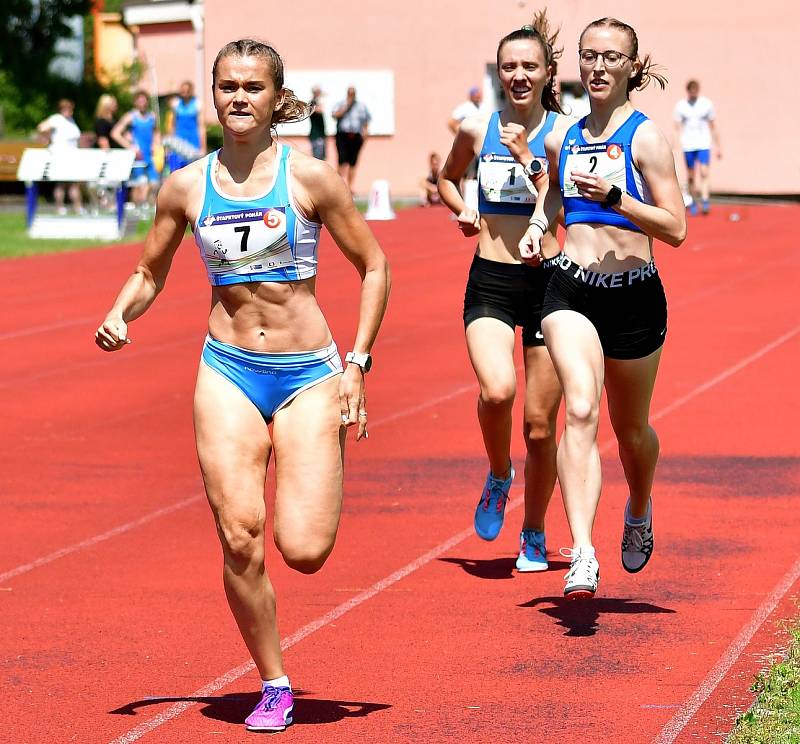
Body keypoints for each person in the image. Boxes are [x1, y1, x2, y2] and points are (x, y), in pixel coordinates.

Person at [95, 39, 390, 733]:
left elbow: (374, 267)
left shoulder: (311, 179)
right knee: (239, 538)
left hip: (309, 373)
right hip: (226, 369)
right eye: (226, 85)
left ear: (275, 96)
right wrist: (118, 312)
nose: (237, 97)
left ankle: (313, 454)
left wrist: (358, 363)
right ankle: (275, 682)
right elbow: (149, 272)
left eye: (252, 87)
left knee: (305, 551)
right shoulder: (186, 184)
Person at [521, 17, 686, 598]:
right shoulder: (559, 136)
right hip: (570, 288)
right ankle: (584, 552)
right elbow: (554, 197)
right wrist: (540, 226)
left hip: (635, 297)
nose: (597, 67)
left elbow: (676, 228)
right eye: (589, 56)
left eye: (612, 58)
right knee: (581, 408)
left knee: (631, 428)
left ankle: (639, 503)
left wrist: (618, 198)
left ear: (632, 69)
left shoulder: (646, 139)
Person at [438, 13, 571, 573]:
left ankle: (535, 532)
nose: (518, 75)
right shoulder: (476, 129)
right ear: (499, 72)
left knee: (541, 427)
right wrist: (461, 206)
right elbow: (445, 177)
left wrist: (543, 218)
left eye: (528, 66)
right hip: (491, 277)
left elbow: (563, 199)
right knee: (497, 391)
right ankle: (498, 472)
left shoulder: (564, 133)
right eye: (508, 66)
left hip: (547, 283)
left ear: (546, 74)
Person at [673, 79, 721, 215]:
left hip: (703, 143)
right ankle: (693, 200)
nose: (693, 94)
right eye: (691, 91)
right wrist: (674, 147)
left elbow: (713, 125)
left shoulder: (706, 104)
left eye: (695, 91)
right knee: (691, 175)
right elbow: (676, 128)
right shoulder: (681, 106)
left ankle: (705, 200)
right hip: (688, 145)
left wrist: (718, 146)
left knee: (704, 172)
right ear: (688, 91)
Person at [112, 90, 161, 213]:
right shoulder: (131, 116)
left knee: (154, 184)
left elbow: (156, 133)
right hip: (138, 156)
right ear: (135, 102)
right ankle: (137, 209)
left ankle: (149, 209)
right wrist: (130, 146)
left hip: (150, 155)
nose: (142, 103)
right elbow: (115, 133)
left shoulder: (152, 116)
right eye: (139, 100)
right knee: (140, 184)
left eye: (144, 100)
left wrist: (156, 144)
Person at [36, 98, 84, 215]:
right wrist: (47, 138)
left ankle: (78, 207)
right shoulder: (56, 119)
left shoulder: (71, 120)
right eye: (67, 108)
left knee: (74, 183)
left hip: (72, 155)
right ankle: (60, 207)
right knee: (62, 183)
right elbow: (41, 127)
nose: (69, 111)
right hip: (60, 155)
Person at [332, 86, 371, 191]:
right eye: (350, 94)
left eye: (353, 94)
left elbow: (366, 121)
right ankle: (339, 187)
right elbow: (334, 115)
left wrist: (365, 135)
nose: (351, 96)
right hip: (343, 135)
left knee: (353, 163)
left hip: (356, 136)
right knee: (342, 161)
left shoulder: (361, 106)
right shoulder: (341, 104)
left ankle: (350, 188)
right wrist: (347, 106)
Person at [165, 80, 205, 172]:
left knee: (193, 170)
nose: (184, 93)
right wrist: (169, 145)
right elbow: (172, 126)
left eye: (187, 91)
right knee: (176, 170)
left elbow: (201, 126)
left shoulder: (197, 104)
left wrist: (203, 147)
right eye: (182, 91)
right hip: (179, 140)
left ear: (191, 91)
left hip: (193, 141)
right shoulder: (176, 104)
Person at [308, 85, 327, 160]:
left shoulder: (316, 102)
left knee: (322, 157)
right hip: (316, 135)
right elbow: (319, 110)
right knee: (318, 158)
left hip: (321, 134)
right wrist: (320, 99)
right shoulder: (313, 103)